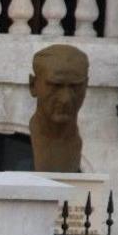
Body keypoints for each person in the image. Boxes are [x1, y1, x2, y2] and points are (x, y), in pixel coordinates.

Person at [29, 44, 89, 173]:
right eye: (55, 86)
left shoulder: (80, 143)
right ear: (33, 85)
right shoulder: (24, 143)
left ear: (86, 86)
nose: (65, 99)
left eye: (75, 87)